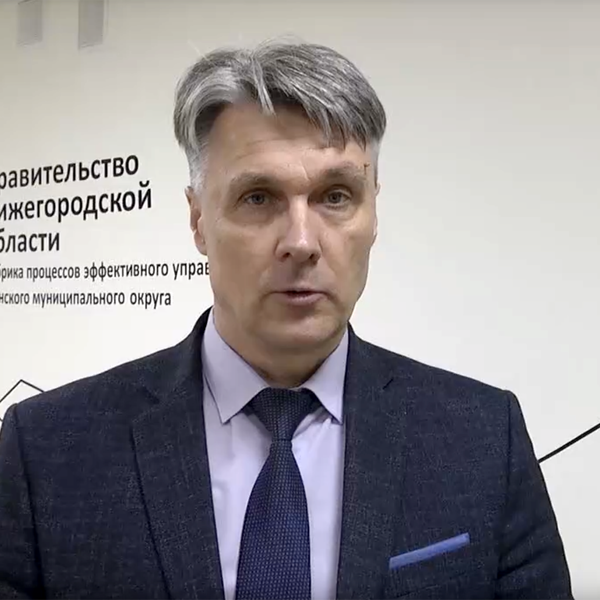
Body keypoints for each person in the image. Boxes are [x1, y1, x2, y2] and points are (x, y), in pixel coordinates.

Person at [0, 39, 573, 600]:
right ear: (198, 221)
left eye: (336, 196)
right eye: (258, 197)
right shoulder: (46, 452)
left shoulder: (483, 439)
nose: (301, 241)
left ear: (374, 213)